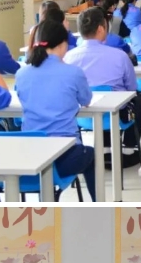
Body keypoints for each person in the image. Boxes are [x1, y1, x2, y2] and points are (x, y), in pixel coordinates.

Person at [16, 19, 96, 200]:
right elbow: (86, 100)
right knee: (92, 155)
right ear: (62, 45)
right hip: (63, 156)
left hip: (30, 155)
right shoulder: (73, 72)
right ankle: (99, 206)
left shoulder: (22, 73)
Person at [64, 7, 141, 157]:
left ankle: (105, 147)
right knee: (139, 100)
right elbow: (132, 88)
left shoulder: (68, 57)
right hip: (116, 114)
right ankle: (129, 147)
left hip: (82, 115)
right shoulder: (120, 56)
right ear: (101, 29)